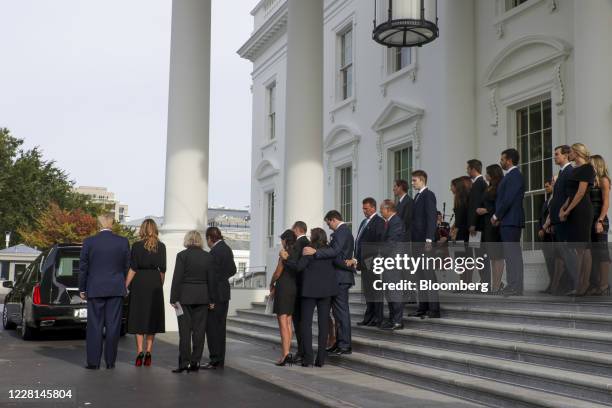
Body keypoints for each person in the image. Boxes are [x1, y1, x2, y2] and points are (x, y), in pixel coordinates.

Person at [79, 213, 130, 370]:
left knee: (95, 325)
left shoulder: (89, 242)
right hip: (116, 288)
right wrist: (124, 285)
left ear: (98, 224)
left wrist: (82, 288)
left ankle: (93, 362)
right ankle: (110, 362)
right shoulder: (123, 242)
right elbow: (127, 265)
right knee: (113, 326)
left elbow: (83, 267)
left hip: (95, 288)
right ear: (112, 224)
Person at [303, 210, 355, 355]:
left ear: (333, 220)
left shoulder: (342, 231)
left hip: (341, 277)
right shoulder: (342, 232)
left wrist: (315, 253)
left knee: (341, 313)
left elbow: (335, 251)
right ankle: (339, 343)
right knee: (338, 313)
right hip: (339, 277)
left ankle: (344, 345)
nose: (328, 227)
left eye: (328, 223)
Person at [170, 231, 217, 373]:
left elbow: (177, 278)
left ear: (188, 240)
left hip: (184, 297)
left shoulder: (182, 256)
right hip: (202, 297)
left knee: (184, 332)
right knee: (199, 331)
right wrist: (212, 299)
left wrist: (173, 298)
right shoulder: (208, 256)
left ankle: (184, 363)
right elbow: (211, 280)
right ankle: (195, 362)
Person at [125, 219, 167, 367]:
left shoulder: (136, 246)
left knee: (138, 316)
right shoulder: (161, 247)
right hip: (154, 282)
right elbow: (162, 270)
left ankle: (139, 352)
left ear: (142, 229)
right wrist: (159, 284)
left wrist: (126, 285)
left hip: (139, 282)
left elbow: (133, 268)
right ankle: (149, 351)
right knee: (152, 317)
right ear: (155, 229)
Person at [297, 228, 339, 367]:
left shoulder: (309, 249)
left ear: (314, 237)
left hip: (309, 292)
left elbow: (299, 267)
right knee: (323, 324)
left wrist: (286, 259)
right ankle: (321, 359)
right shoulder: (329, 250)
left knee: (306, 324)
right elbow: (338, 263)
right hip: (326, 292)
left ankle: (308, 357)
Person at [560, 143, 596, 296]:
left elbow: (581, 193)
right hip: (573, 209)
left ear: (577, 152)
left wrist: (568, 210)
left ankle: (583, 284)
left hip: (582, 210)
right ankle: (580, 284)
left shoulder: (588, 168)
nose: (569, 155)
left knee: (582, 248)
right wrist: (564, 207)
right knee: (579, 248)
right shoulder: (574, 170)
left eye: (571, 152)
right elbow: (571, 193)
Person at [492, 148, 525, 297]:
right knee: (510, 255)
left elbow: (508, 199)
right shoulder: (510, 176)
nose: (501, 162)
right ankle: (513, 284)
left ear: (509, 160)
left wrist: (496, 216)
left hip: (511, 220)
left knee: (513, 255)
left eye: (502, 159)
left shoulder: (515, 175)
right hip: (507, 220)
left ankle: (515, 286)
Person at [542, 145, 575, 294]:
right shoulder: (561, 173)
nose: (554, 156)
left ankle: (577, 283)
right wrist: (551, 221)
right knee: (562, 254)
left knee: (568, 253)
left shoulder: (569, 171)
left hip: (565, 220)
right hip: (557, 221)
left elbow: (570, 195)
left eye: (557, 154)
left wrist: (564, 212)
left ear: (566, 155)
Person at [204, 226, 236, 369]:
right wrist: (223, 278)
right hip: (224, 293)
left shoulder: (214, 252)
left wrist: (210, 299)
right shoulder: (227, 249)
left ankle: (214, 359)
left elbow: (211, 277)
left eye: (207, 240)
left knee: (212, 328)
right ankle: (220, 359)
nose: (207, 242)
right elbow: (233, 270)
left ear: (210, 238)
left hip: (215, 295)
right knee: (221, 328)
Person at [409, 170, 440, 318]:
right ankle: (422, 307)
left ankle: (434, 309)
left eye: (414, 180)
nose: (412, 183)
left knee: (428, 275)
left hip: (425, 242)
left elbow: (431, 218)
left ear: (422, 180)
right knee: (419, 276)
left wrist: (429, 239)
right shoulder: (417, 196)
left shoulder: (429, 195)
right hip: (416, 242)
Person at [352, 198, 385, 327]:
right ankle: (369, 316)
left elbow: (379, 242)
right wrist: (357, 258)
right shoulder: (363, 222)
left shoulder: (379, 222)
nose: (364, 211)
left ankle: (377, 317)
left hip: (373, 260)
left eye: (366, 208)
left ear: (373, 208)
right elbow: (359, 241)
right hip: (363, 261)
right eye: (363, 208)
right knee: (367, 290)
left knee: (375, 290)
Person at [280, 221, 310, 364]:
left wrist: (285, 259)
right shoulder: (306, 242)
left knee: (298, 322)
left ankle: (302, 351)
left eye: (293, 230)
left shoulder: (300, 244)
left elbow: (296, 266)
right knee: (297, 322)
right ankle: (301, 351)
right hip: (300, 286)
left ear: (297, 230)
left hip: (297, 285)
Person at [270, 230, 298, 366]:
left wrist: (271, 283)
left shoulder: (284, 253)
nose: (281, 242)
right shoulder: (297, 252)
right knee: (288, 322)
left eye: (282, 240)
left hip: (283, 288)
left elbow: (277, 272)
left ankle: (285, 354)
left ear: (286, 240)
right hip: (293, 288)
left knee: (282, 324)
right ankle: (288, 352)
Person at [379, 199, 407, 330]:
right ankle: (392, 319)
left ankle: (397, 320)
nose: (380, 212)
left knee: (394, 291)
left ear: (388, 209)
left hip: (393, 261)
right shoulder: (389, 222)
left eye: (381, 210)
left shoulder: (396, 222)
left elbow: (391, 242)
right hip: (388, 261)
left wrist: (379, 254)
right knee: (389, 292)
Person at [476, 164, 505, 293]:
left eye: (487, 173)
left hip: (495, 224)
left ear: (493, 174)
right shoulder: (489, 187)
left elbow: (501, 205)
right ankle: (495, 284)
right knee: (492, 257)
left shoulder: (500, 186)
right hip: (487, 225)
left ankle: (497, 285)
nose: (485, 175)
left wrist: (487, 210)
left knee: (497, 256)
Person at [587, 155, 610, 296]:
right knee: (593, 253)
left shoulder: (604, 180)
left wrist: (600, 220)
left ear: (596, 164)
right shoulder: (590, 182)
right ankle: (595, 284)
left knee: (602, 253)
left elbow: (606, 202)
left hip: (600, 220)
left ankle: (605, 284)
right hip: (589, 220)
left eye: (590, 164)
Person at [467, 159, 491, 286]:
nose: (467, 170)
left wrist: (473, 224)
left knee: (480, 255)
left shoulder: (478, 184)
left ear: (473, 169)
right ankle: (484, 281)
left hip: (477, 227)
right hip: (478, 226)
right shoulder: (479, 183)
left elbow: (475, 206)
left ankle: (485, 282)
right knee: (479, 255)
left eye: (468, 168)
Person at [450, 176, 471, 290]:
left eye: (452, 186)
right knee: (461, 259)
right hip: (461, 232)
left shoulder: (462, 200)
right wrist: (453, 227)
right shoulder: (459, 200)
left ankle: (465, 284)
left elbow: (462, 219)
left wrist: (455, 229)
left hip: (462, 233)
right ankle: (464, 283)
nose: (450, 189)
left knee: (463, 259)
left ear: (456, 187)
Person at [537, 180, 556, 294]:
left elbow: (553, 215)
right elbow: (541, 217)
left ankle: (556, 284)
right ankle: (552, 283)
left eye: (547, 186)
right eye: (545, 187)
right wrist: (540, 229)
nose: (546, 188)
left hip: (552, 233)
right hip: (545, 234)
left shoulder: (556, 199)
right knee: (549, 261)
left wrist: (545, 228)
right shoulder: (546, 201)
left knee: (555, 260)